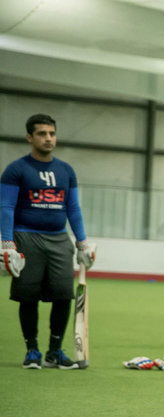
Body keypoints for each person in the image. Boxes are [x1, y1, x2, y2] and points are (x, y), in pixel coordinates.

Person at [2, 114, 96, 369]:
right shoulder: (17, 169)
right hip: (26, 237)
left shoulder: (66, 170)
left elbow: (73, 209)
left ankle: (55, 350)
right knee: (28, 297)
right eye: (42, 134)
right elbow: (7, 206)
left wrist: (82, 242)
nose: (48, 138)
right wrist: (7, 243)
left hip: (59, 240)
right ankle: (32, 350)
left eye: (52, 133)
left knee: (63, 295)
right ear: (29, 137)